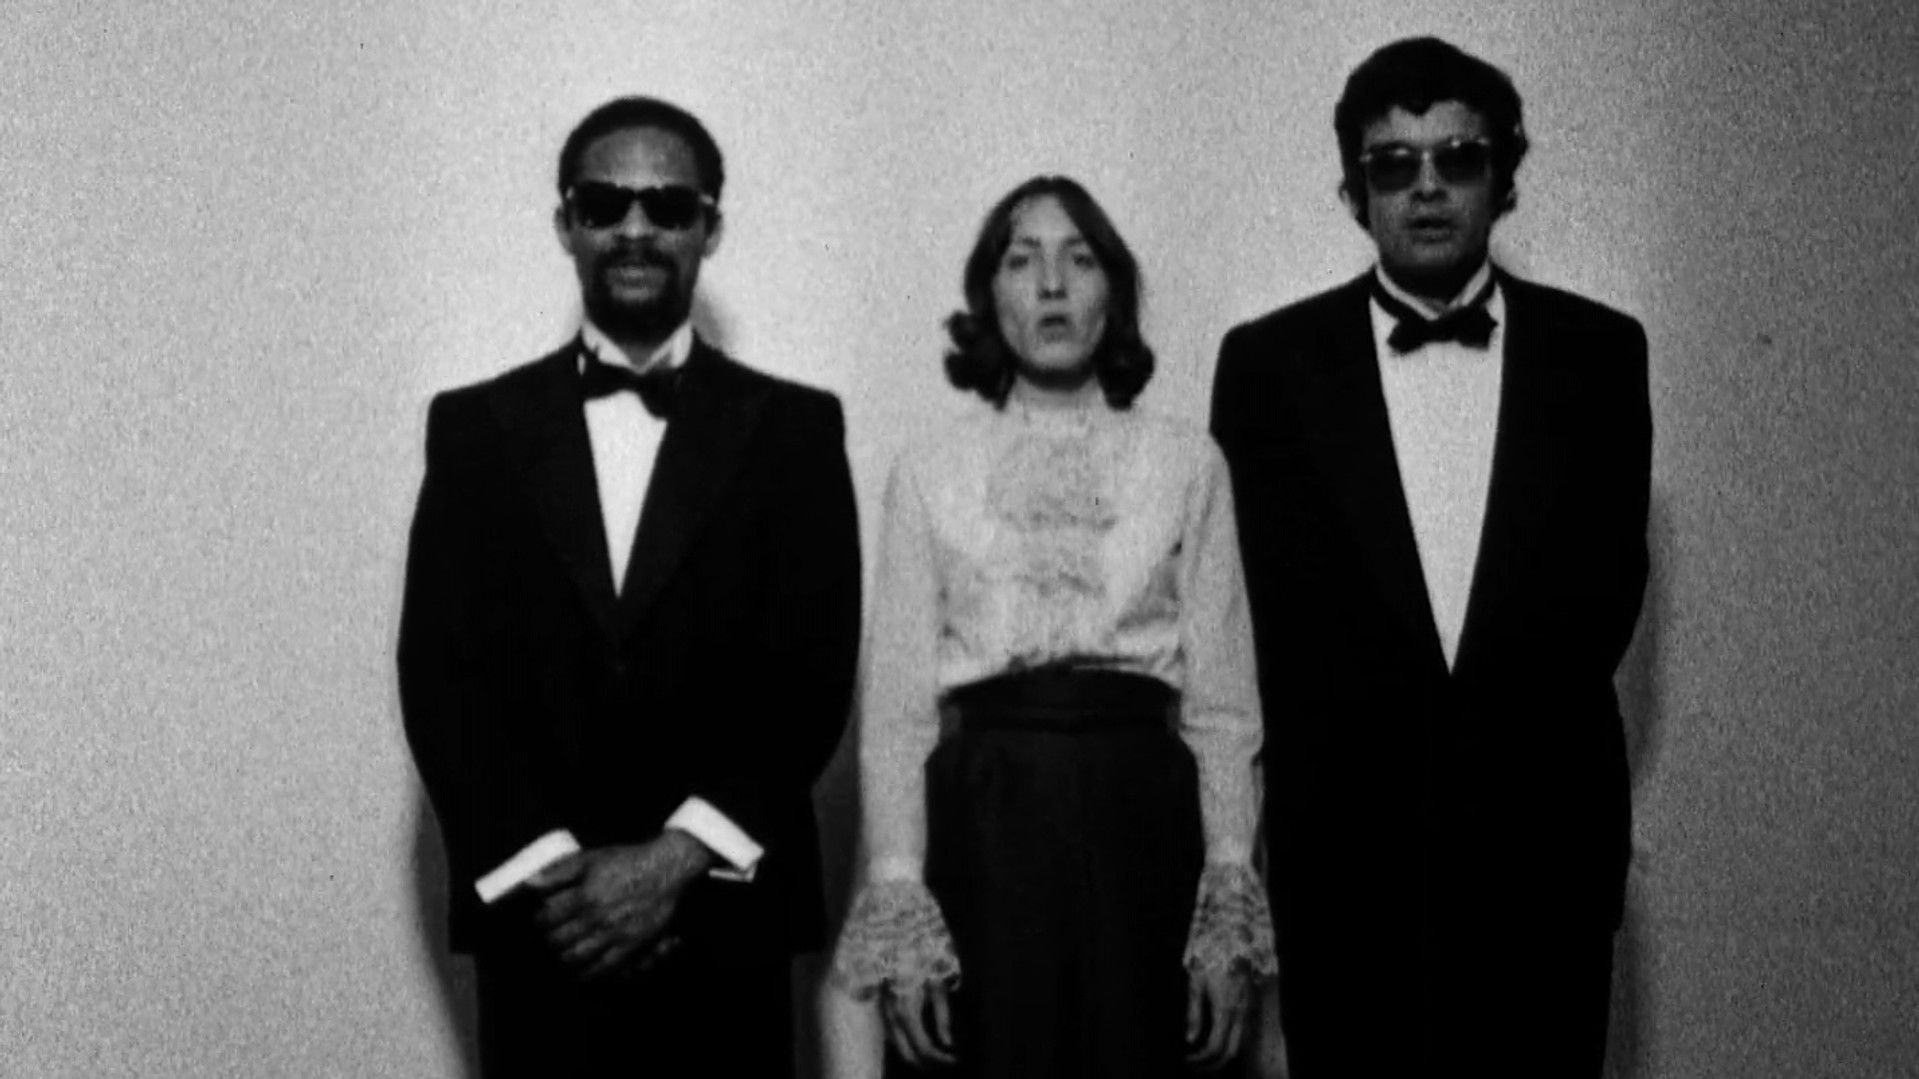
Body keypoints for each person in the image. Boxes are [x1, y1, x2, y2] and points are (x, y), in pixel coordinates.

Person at [1209, 37, 1652, 1078]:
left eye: (1456, 157)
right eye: (1391, 164)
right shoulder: (1266, 366)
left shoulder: (1599, 354)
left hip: (1543, 856)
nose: (1424, 187)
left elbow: (1605, 595)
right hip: (1343, 865)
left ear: (1504, 178)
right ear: (1351, 191)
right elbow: (1252, 619)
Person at [397, 95, 861, 1078]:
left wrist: (670, 862)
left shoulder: (796, 431)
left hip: (725, 925)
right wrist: (555, 876)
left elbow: (809, 677)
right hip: (543, 931)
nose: (637, 228)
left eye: (669, 205)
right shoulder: (474, 430)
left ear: (709, 227)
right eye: (606, 204)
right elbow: (441, 676)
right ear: (565, 222)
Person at [825, 175, 1277, 1078]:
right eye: (1022, 260)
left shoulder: (1188, 461)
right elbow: (897, 715)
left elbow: (1225, 706)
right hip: (984, 818)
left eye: (1080, 259)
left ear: (1115, 289)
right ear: (989, 294)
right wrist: (901, 894)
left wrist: (1226, 892)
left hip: (1144, 814)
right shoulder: (928, 467)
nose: (1053, 284)